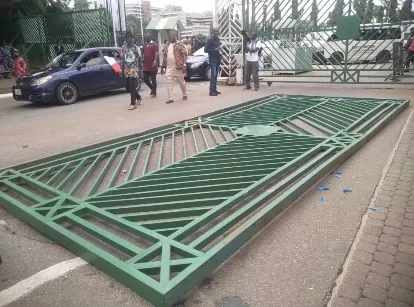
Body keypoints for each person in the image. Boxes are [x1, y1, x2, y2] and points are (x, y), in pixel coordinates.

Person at [161, 30, 187, 104]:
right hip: (169, 67)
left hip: (178, 66)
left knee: (181, 82)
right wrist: (163, 66)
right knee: (169, 81)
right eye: (170, 35)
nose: (171, 36)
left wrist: (184, 65)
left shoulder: (180, 44)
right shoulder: (167, 45)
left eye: (173, 35)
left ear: (176, 36)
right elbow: (165, 56)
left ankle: (184, 94)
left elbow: (184, 54)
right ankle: (170, 97)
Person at [120, 33, 142, 110]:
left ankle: (133, 103)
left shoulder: (136, 48)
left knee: (132, 85)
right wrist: (121, 69)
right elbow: (122, 59)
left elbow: (140, 59)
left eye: (130, 38)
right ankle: (138, 97)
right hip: (126, 68)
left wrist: (140, 69)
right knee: (128, 87)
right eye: (127, 38)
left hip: (133, 68)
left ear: (132, 39)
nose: (129, 40)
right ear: (125, 39)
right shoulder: (123, 47)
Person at [204, 28, 222, 96]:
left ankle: (214, 89)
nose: (218, 32)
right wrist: (215, 49)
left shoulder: (218, 39)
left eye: (218, 31)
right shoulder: (209, 40)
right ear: (213, 32)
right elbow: (205, 50)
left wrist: (220, 48)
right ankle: (211, 91)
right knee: (213, 75)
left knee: (215, 75)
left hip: (217, 58)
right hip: (212, 59)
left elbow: (218, 47)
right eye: (216, 31)